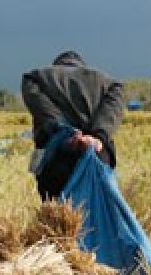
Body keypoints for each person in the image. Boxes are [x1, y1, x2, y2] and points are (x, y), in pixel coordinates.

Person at [21, 51, 125, 200]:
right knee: (99, 210)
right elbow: (112, 109)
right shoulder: (110, 83)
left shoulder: (36, 78)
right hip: (97, 155)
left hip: (56, 158)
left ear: (57, 65)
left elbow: (41, 107)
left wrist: (65, 131)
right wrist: (96, 137)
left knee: (58, 214)